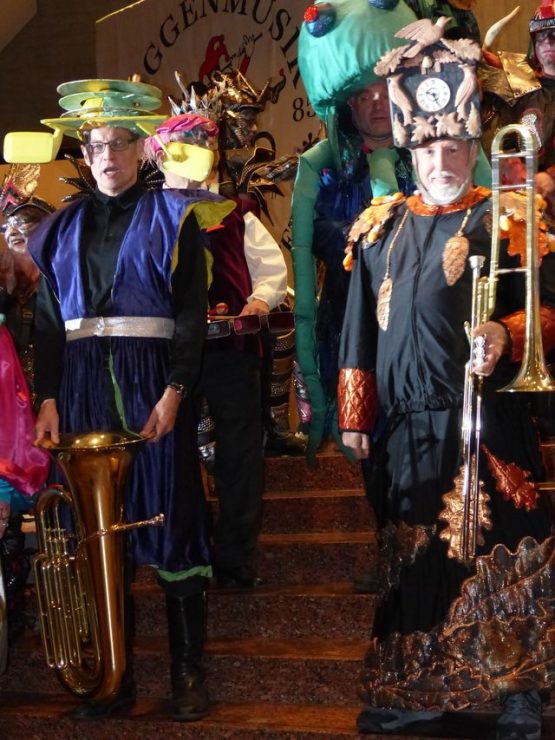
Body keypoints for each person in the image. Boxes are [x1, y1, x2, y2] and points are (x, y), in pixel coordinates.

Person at [338, 21, 555, 739]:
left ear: (473, 146)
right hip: (404, 427)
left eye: (455, 147)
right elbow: (356, 333)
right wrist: (354, 415)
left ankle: (519, 692)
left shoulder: (506, 216)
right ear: (410, 152)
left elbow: (548, 312)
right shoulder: (378, 228)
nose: (442, 160)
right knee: (414, 562)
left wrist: (506, 334)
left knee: (505, 551)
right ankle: (416, 685)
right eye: (429, 149)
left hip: (487, 419)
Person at [24, 79, 234, 722]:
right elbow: (46, 325)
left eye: (119, 143)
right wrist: (48, 397)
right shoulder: (56, 231)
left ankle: (187, 671)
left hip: (152, 383)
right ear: (83, 154)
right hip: (82, 387)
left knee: (172, 518)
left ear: (144, 149)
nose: (107, 155)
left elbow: (192, 315)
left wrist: (176, 391)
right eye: (95, 145)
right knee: (93, 532)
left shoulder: (177, 217)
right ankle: (113, 676)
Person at [146, 112, 288, 588]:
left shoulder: (236, 212)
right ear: (161, 157)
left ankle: (234, 557)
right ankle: (180, 552)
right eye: (184, 147)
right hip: (168, 359)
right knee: (171, 455)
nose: (197, 156)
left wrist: (258, 300)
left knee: (240, 456)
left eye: (204, 147)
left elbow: (270, 271)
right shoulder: (146, 216)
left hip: (232, 350)